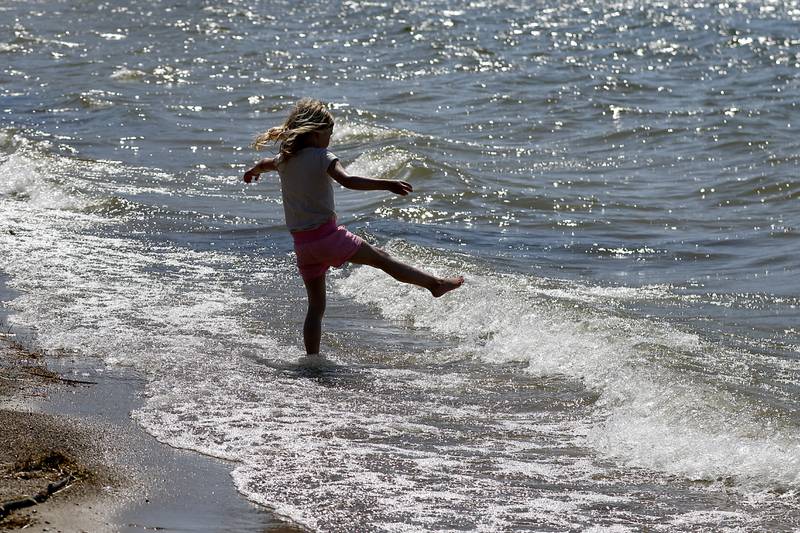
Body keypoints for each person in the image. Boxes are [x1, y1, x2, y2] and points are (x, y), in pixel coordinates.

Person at [242, 98, 464, 355]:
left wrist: (252, 171)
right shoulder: (321, 155)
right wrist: (387, 184)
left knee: (315, 308)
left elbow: (263, 164)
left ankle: (312, 359)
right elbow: (348, 180)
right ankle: (435, 284)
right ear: (315, 133)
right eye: (329, 133)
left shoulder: (284, 159)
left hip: (303, 246)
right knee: (383, 259)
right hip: (327, 238)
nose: (330, 138)